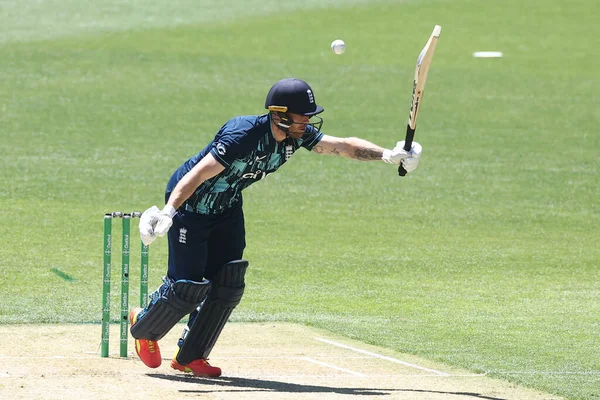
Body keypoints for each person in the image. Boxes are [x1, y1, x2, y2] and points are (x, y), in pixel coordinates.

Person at [129, 78, 423, 377]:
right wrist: (169, 210)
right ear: (280, 115)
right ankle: (145, 326)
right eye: (302, 116)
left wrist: (387, 155)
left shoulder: (296, 134)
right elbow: (199, 173)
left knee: (228, 281)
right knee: (188, 287)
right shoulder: (242, 134)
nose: (307, 121)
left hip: (227, 206)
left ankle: (190, 356)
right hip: (192, 205)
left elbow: (341, 147)